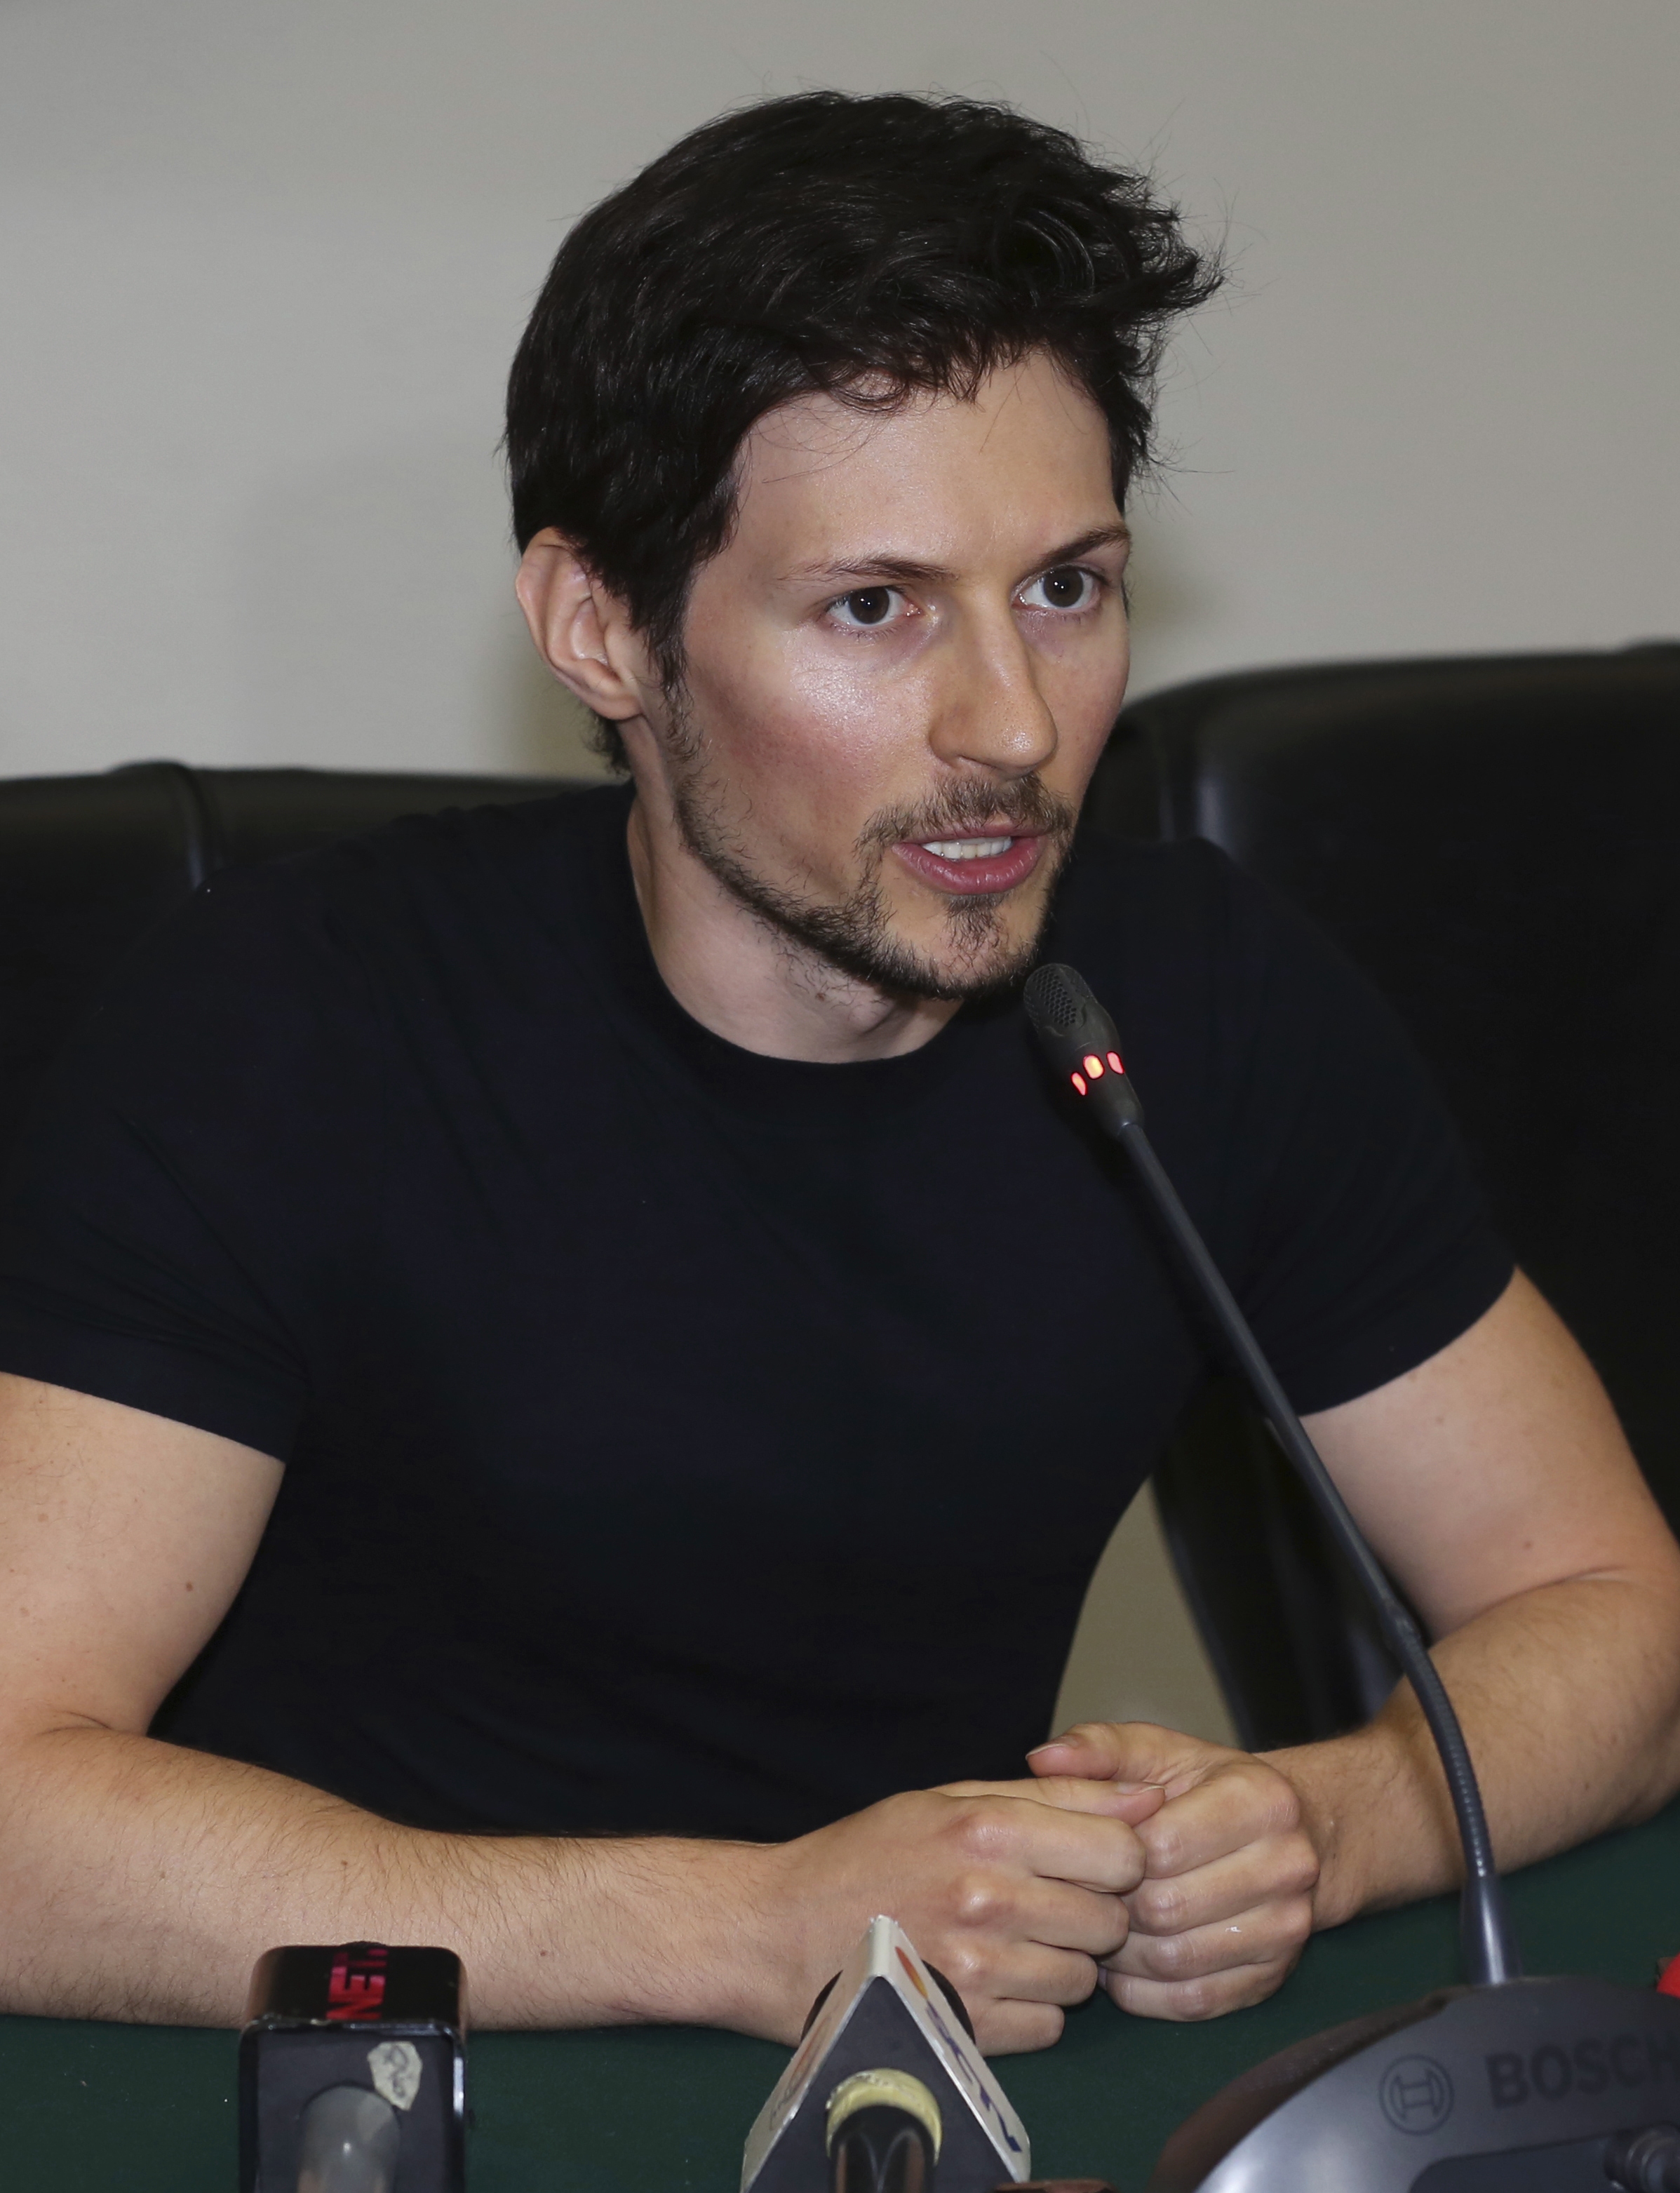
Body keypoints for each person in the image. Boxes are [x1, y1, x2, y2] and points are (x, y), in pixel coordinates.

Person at [1, 92, 1677, 2057]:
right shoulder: (283, 1022)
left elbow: (1612, 1614)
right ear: (602, 630)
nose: (1008, 728)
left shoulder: (1193, 1001)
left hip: (932, 2087)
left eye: (1063, 587)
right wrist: (737, 1926)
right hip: (371, 2077)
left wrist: (1322, 1817)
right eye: (872, 610)